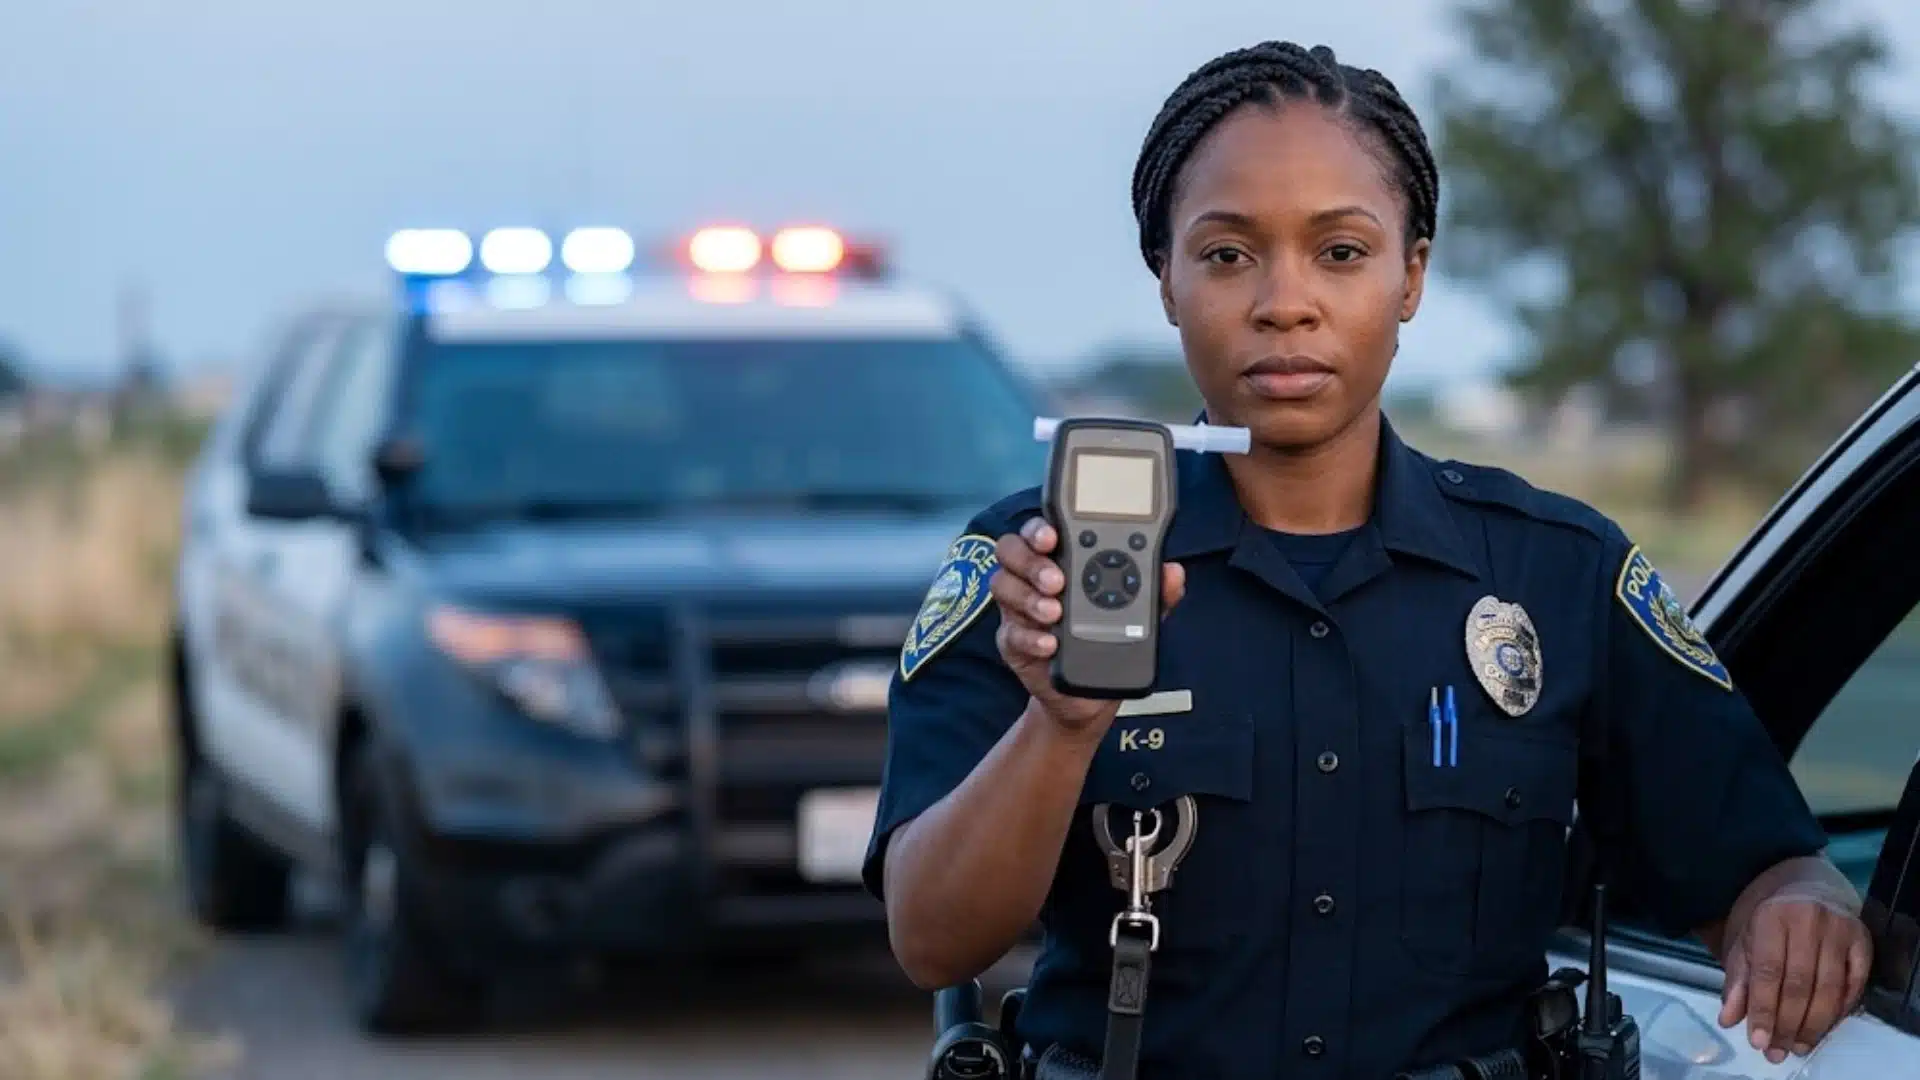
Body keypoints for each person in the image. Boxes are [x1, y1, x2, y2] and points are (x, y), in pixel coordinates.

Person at [862, 39, 1873, 1079]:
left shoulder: (1556, 575)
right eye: (1225, 254)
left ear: (1412, 275)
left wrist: (1799, 905)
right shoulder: (1035, 569)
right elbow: (933, 939)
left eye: (1340, 252)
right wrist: (1060, 722)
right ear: (1164, 277)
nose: (1284, 302)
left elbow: (1765, 865)